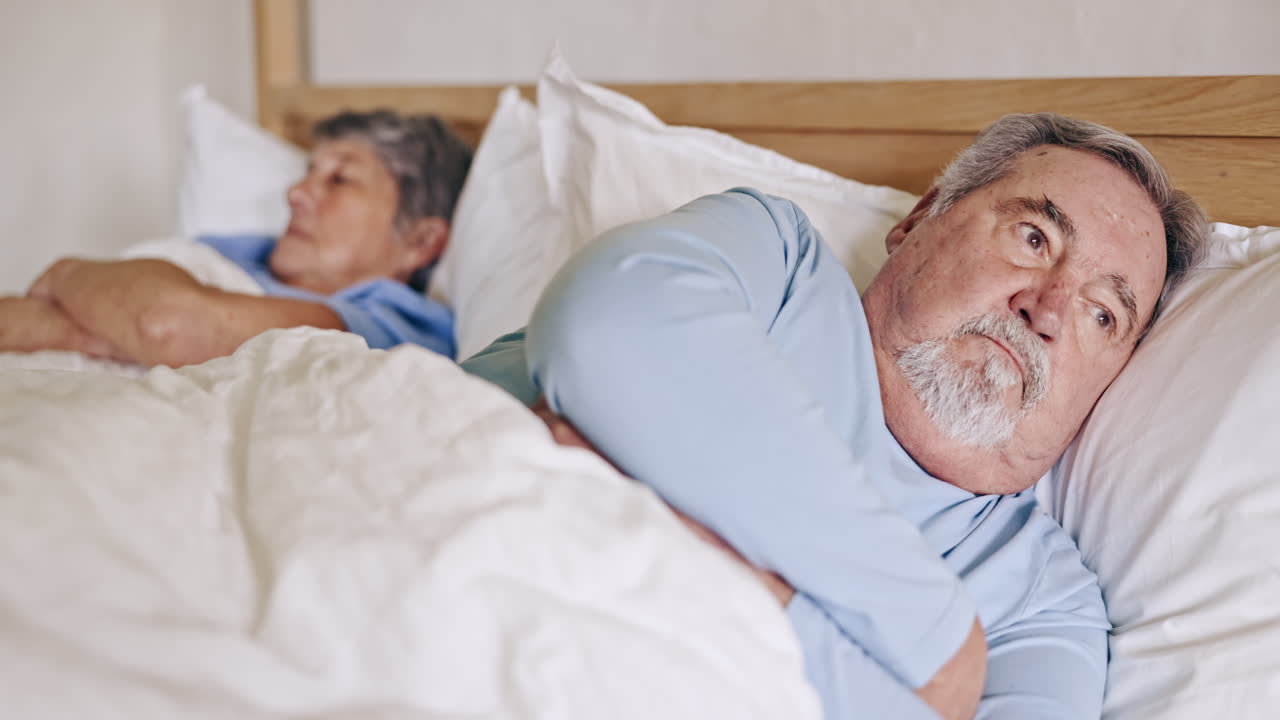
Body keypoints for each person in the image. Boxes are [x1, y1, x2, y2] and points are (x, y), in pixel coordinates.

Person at [461, 113, 1208, 720]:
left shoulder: (1043, 604)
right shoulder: (776, 266)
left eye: (1103, 314)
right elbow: (607, 329)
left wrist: (758, 592)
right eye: (1034, 237)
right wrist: (939, 648)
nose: (1046, 309)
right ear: (918, 221)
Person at [0, 110, 471, 367]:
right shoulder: (226, 254)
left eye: (340, 180)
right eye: (309, 172)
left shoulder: (389, 323)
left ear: (420, 241)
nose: (297, 192)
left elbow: (167, 326)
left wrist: (69, 272)